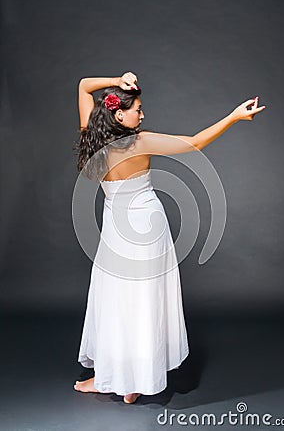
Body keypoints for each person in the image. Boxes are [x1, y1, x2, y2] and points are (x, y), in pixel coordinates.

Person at [72, 72, 266, 404]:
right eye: (137, 109)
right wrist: (234, 116)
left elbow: (83, 85)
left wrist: (118, 79)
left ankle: (119, 379)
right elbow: (194, 144)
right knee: (142, 299)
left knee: (118, 299)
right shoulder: (139, 141)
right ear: (119, 114)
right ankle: (131, 382)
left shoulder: (92, 137)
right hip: (147, 226)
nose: (142, 114)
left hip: (118, 230)